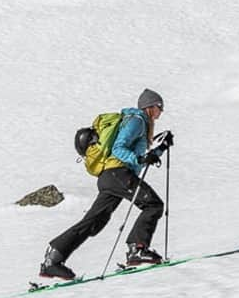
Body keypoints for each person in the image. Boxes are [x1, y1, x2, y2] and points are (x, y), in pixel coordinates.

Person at [39, 88, 172, 280]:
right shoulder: (138, 120)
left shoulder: (139, 123)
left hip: (110, 177)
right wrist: (141, 159)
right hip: (118, 174)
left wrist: (160, 149)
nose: (161, 113)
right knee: (153, 204)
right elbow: (119, 148)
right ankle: (138, 249)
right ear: (150, 106)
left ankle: (53, 258)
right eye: (160, 108)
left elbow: (141, 156)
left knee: (94, 222)